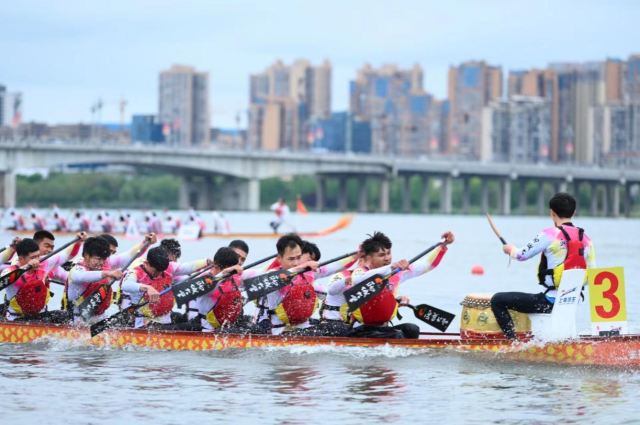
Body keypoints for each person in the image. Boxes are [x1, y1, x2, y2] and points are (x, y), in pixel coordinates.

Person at [490, 192, 596, 340]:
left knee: (497, 300)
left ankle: (513, 344)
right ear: (574, 212)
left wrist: (509, 249)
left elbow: (521, 255)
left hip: (548, 302)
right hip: (574, 300)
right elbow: (591, 274)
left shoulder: (549, 234)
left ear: (552, 213)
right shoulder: (586, 239)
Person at [349, 230, 454, 339]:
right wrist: (391, 267)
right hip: (360, 329)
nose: (387, 258)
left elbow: (427, 265)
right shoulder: (360, 272)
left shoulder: (398, 273)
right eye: (381, 255)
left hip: (383, 328)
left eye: (388, 253)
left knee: (412, 329)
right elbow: (358, 280)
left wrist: (443, 245)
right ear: (369, 258)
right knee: (397, 335)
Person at [247, 234, 356, 335]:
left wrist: (358, 255)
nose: (296, 262)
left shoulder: (308, 274)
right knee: (316, 334)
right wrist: (300, 267)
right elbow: (259, 284)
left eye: (298, 258)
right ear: (279, 258)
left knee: (334, 329)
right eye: (291, 259)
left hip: (302, 327)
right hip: (278, 330)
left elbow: (334, 267)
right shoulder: (272, 275)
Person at [119, 247, 210, 330]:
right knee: (196, 328)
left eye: (161, 271)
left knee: (181, 318)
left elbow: (189, 267)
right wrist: (147, 288)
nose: (158, 274)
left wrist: (208, 262)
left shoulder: (167, 268)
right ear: (146, 263)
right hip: (145, 324)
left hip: (164, 320)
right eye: (156, 271)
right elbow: (125, 285)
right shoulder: (136, 273)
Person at [0, 233, 86, 322]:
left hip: (40, 316)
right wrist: (26, 267)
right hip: (16, 318)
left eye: (38, 256)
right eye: (33, 257)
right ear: (21, 259)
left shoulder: (45, 262)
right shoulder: (9, 272)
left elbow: (68, 255)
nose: (37, 260)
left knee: (65, 315)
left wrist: (78, 242)